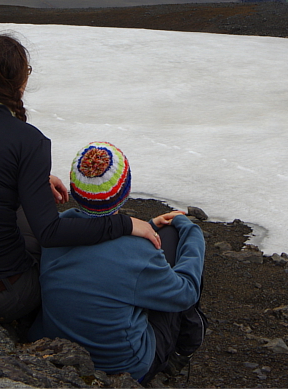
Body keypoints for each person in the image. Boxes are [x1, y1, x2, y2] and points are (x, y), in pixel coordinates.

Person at [0, 34, 162, 324]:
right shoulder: (28, 141)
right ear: (19, 82)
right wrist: (124, 224)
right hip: (1, 295)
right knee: (51, 247)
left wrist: (31, 179)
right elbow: (51, 233)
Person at [29, 142, 206, 383]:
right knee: (174, 250)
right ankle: (181, 351)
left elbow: (99, 253)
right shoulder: (138, 253)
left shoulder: (57, 231)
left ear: (75, 190)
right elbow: (186, 292)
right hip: (124, 366)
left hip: (57, 347)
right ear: (126, 189)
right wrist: (191, 230)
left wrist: (150, 226)